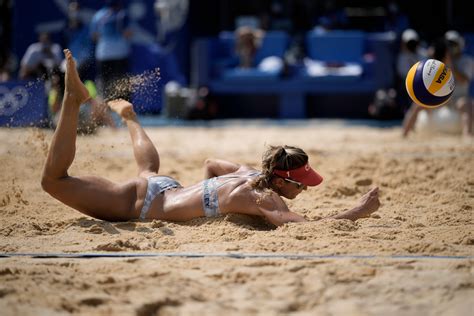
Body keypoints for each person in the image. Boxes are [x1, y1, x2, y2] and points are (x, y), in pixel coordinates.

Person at [41, 49, 381, 226]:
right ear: (279, 182)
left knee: (149, 170)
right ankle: (72, 101)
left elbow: (211, 164)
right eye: (300, 185)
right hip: (142, 206)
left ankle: (130, 118)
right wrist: (358, 211)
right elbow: (305, 226)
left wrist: (201, 202)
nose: (303, 190)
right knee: (53, 181)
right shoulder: (266, 200)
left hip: (167, 188)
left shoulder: (248, 171)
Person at [402, 31, 473, 137]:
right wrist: (434, 56)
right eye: (448, 45)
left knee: (466, 103)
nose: (450, 48)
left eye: (453, 44)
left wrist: (450, 65)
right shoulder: (437, 61)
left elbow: (464, 80)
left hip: (458, 98)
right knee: (417, 104)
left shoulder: (466, 61)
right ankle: (404, 134)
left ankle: (467, 134)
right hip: (441, 98)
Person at [90, 0, 132, 100]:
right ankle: (123, 106)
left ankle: (104, 107)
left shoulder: (98, 16)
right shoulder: (123, 15)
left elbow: (94, 37)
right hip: (120, 54)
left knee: (104, 83)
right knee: (122, 82)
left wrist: (105, 38)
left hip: (103, 54)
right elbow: (128, 34)